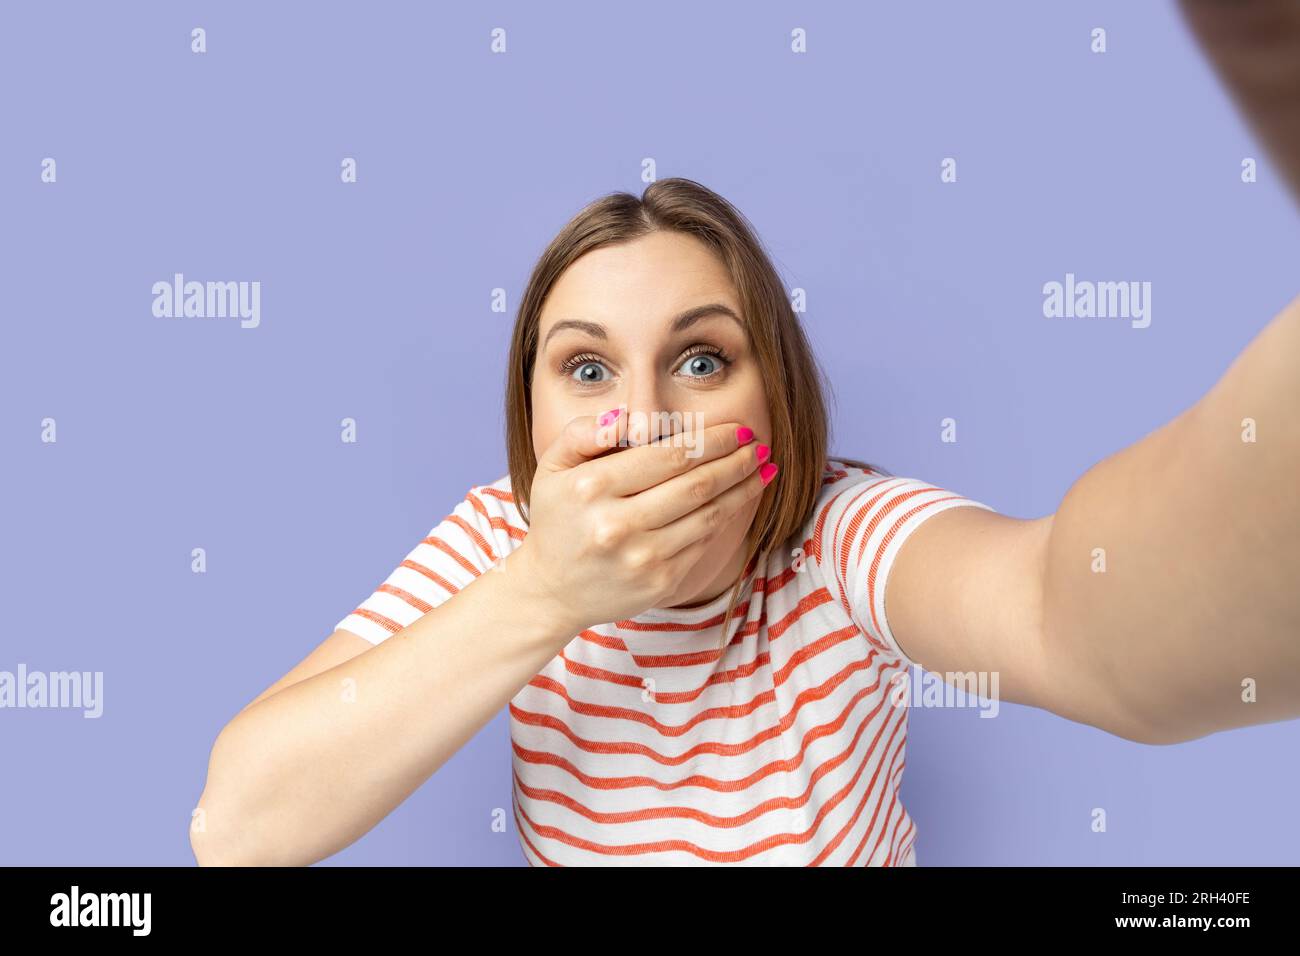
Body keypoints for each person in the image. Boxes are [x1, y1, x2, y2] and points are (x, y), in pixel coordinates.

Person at [190, 4, 1300, 866]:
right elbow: (235, 827)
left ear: (777, 396)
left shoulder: (837, 535)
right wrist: (546, 591)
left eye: (702, 358)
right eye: (586, 368)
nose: (648, 418)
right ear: (529, 418)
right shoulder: (498, 545)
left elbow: (1073, 617)